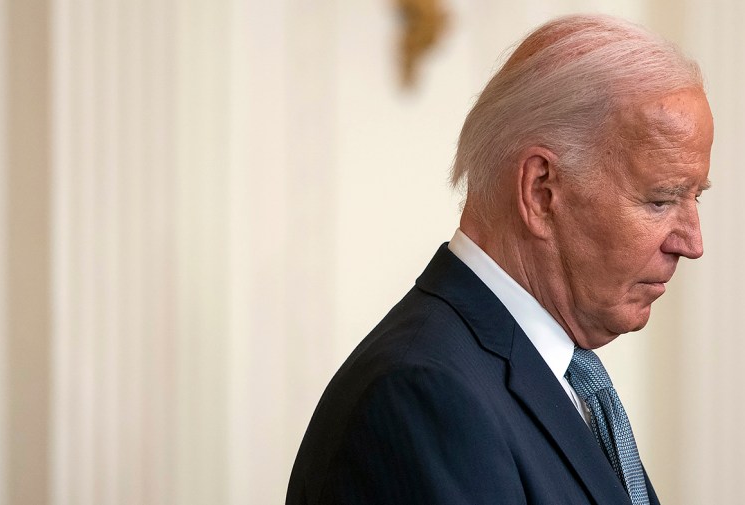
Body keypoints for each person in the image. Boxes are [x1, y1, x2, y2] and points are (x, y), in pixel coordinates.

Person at [287, 13, 713, 505]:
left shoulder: (555, 376)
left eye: (695, 197)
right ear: (541, 191)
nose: (691, 242)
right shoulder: (426, 395)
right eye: (661, 200)